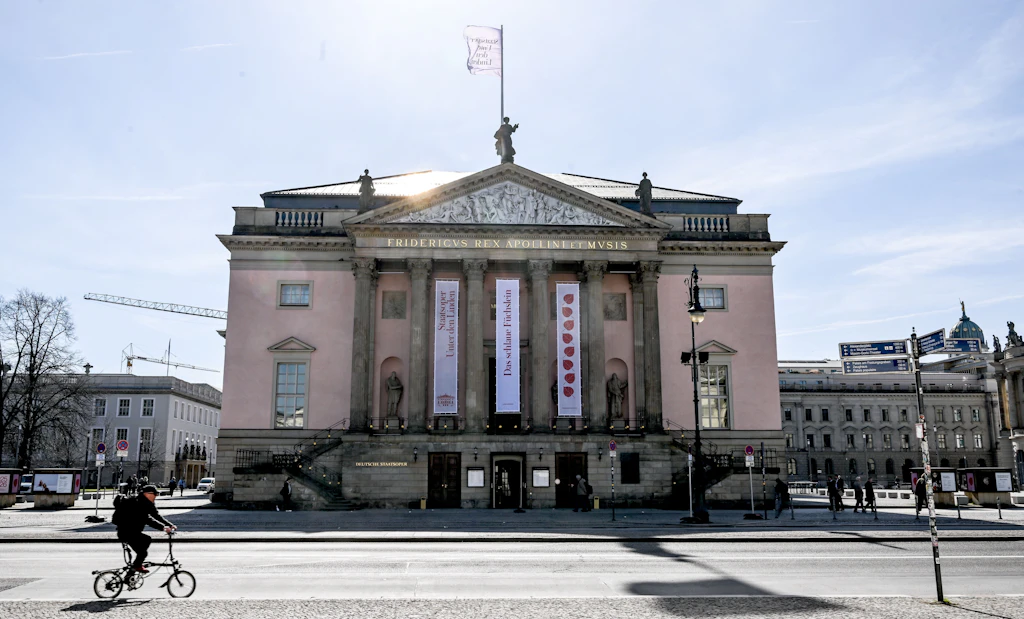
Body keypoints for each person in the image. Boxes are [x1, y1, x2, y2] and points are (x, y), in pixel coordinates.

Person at [112, 484, 176, 573]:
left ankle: (135, 567)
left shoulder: (148, 503)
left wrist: (170, 525)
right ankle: (136, 566)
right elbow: (147, 519)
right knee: (143, 551)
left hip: (133, 532)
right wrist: (163, 528)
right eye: (155, 494)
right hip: (126, 532)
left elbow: (156, 515)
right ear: (147, 494)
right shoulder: (137, 503)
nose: (156, 496)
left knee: (145, 544)